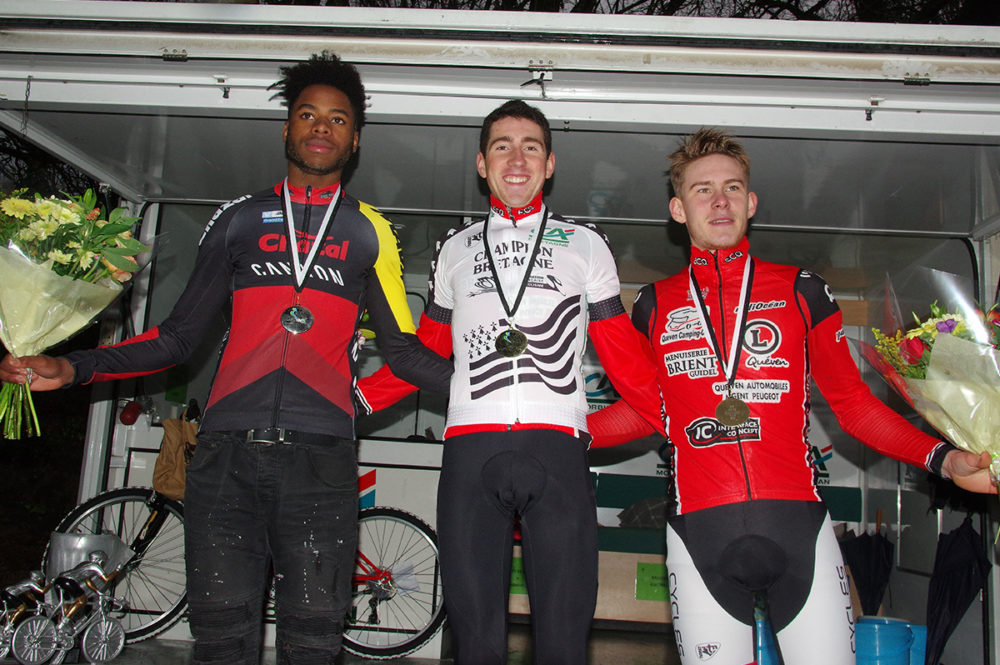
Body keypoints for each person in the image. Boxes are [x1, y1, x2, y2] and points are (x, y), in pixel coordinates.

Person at [0, 52, 451, 665]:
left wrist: (497, 385)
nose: (321, 127)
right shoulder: (238, 220)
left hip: (321, 464)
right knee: (220, 638)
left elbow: (403, 353)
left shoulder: (371, 232)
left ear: (355, 142)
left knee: (315, 640)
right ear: (286, 129)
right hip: (225, 459)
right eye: (308, 115)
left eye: (338, 119)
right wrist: (76, 366)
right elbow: (177, 338)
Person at [587, 127, 996, 665]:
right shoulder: (652, 305)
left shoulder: (802, 290)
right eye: (703, 190)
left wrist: (943, 459)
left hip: (799, 528)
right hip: (698, 532)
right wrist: (555, 433)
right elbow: (645, 413)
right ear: (678, 209)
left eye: (732, 188)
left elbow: (853, 405)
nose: (719, 201)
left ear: (751, 203)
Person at [356, 99, 664, 664]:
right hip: (470, 450)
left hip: (558, 451)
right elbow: (423, 353)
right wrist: (348, 403)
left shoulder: (585, 243)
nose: (517, 159)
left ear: (550, 164)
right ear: (482, 164)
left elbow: (623, 356)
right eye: (502, 147)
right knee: (475, 641)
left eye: (531, 147)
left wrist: (679, 413)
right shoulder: (454, 248)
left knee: (565, 641)